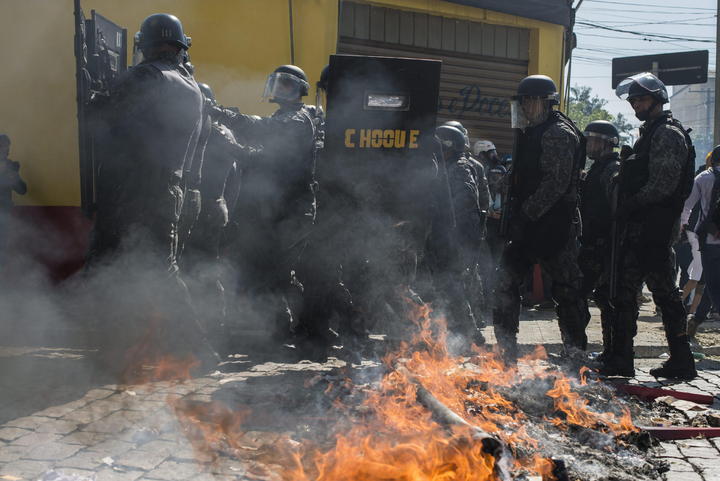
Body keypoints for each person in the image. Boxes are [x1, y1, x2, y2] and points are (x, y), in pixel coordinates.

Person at [86, 13, 217, 368]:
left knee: (113, 264)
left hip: (134, 189)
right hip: (167, 189)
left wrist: (94, 91)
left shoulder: (145, 76)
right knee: (157, 269)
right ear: (179, 46)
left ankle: (121, 349)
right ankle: (186, 350)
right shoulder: (190, 85)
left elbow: (103, 115)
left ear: (145, 45)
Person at [213, 65, 326, 354]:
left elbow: (263, 136)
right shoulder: (284, 116)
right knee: (275, 270)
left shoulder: (297, 120)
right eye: (277, 84)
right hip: (281, 208)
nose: (279, 90)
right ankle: (290, 330)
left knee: (280, 271)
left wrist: (229, 127)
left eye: (286, 85)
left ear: (299, 89)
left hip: (294, 209)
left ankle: (309, 331)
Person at [493, 75, 586, 363]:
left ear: (543, 102)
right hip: (528, 225)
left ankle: (575, 356)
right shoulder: (530, 132)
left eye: (528, 102)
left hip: (553, 226)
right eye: (521, 102)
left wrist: (526, 213)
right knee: (505, 282)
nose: (524, 107)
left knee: (566, 290)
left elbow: (555, 183)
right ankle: (506, 352)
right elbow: (524, 174)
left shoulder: (558, 133)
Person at [612, 72, 697, 379]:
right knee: (626, 292)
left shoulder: (667, 133)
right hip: (641, 227)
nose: (636, 104)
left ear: (658, 100)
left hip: (655, 229)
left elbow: (663, 184)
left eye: (642, 99)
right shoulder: (649, 133)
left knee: (664, 295)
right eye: (633, 100)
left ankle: (682, 360)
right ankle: (622, 358)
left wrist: (632, 203)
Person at [427, 125, 485, 345]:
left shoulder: (458, 168)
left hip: (456, 239)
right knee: (448, 286)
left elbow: (466, 203)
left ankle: (470, 335)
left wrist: (452, 234)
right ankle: (459, 334)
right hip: (448, 237)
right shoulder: (448, 165)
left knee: (453, 286)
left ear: (448, 147)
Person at [576, 121, 620, 365]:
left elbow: (615, 211)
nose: (589, 145)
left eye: (593, 140)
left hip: (604, 247)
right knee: (597, 298)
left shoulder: (612, 170)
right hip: (591, 243)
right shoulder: (597, 169)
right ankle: (605, 351)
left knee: (605, 299)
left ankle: (612, 352)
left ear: (607, 143)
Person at [683, 145, 720, 338]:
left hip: (709, 241)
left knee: (712, 283)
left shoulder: (704, 178)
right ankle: (696, 320)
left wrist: (682, 226)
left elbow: (687, 205)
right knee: (713, 283)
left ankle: (695, 320)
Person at [0, 134, 27, 269]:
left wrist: (14, 178)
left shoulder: (11, 166)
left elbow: (22, 190)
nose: (7, 150)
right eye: (4, 147)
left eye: (8, 147)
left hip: (4, 213)